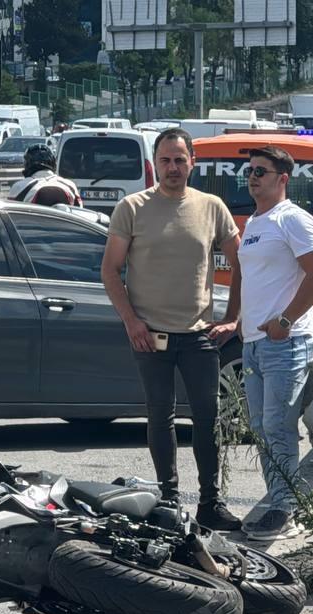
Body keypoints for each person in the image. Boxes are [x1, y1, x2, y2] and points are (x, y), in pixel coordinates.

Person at [100, 127, 243, 532]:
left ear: (192, 162)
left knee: (207, 418)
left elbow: (240, 263)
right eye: (165, 160)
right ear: (154, 164)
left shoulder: (212, 207)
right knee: (159, 415)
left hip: (199, 333)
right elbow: (110, 270)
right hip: (150, 333)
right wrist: (132, 321)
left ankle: (211, 502)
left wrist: (233, 317)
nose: (173, 168)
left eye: (180, 160)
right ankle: (168, 498)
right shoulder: (132, 207)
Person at [238, 146, 313, 541]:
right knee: (262, 427)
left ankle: (285, 510)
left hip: (285, 343)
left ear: (282, 179)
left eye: (261, 170)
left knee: (278, 426)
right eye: (250, 170)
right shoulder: (256, 221)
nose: (253, 176)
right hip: (255, 343)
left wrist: (286, 320)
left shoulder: (293, 219)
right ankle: (279, 502)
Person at [7, 144, 82, 207]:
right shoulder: (70, 185)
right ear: (53, 163)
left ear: (27, 164)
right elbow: (79, 213)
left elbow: (11, 215)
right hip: (67, 224)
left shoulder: (19, 187)